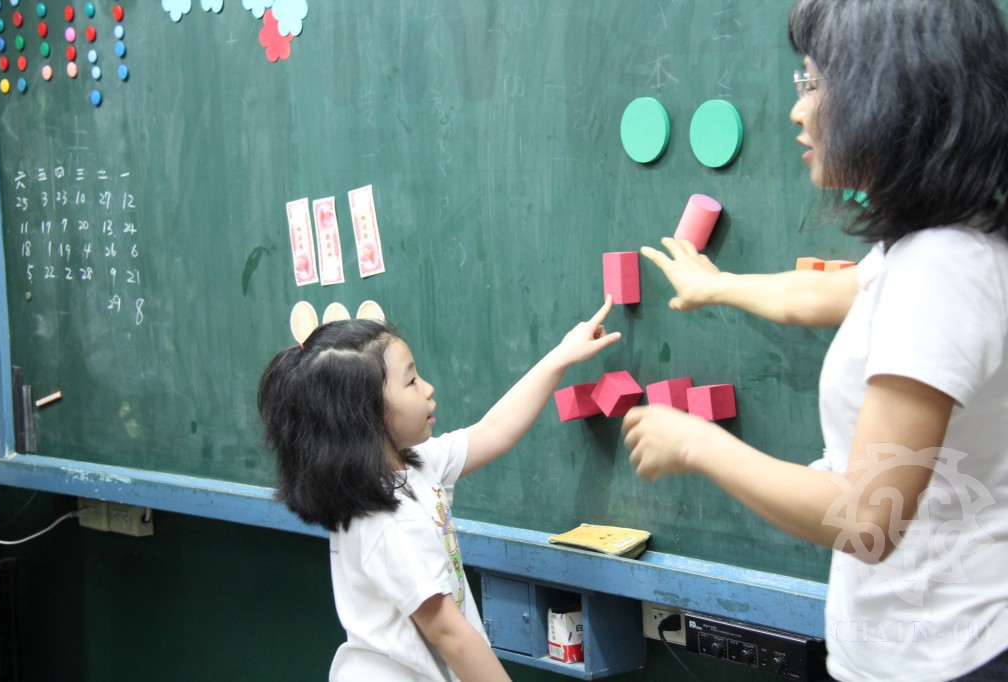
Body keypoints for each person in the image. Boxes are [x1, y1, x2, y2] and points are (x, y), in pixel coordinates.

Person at [622, 1, 1008, 680]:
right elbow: (821, 295)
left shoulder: (941, 268)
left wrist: (697, 444)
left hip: (947, 659)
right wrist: (718, 285)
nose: (798, 111)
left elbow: (867, 516)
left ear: (890, 96)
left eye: (815, 83)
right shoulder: (932, 249)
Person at [258, 298, 620, 682]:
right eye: (411, 381)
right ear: (366, 414)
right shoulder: (389, 520)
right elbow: (451, 635)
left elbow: (495, 430)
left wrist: (562, 355)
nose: (429, 388)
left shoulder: (410, 465)